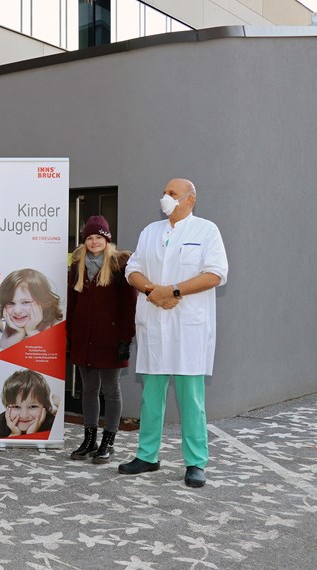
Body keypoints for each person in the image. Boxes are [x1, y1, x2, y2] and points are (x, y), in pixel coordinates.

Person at [119, 178, 228, 489]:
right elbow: (132, 269)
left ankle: (195, 463)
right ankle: (147, 455)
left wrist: (174, 290)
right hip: (154, 322)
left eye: (172, 193)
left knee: (191, 399)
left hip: (188, 328)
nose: (165, 197)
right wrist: (153, 290)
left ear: (190, 200)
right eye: (164, 192)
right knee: (151, 398)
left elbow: (216, 273)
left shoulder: (206, 230)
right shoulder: (150, 231)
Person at [66, 216, 136, 463]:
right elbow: (72, 305)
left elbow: (129, 306)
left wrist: (125, 339)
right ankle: (89, 438)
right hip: (84, 339)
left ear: (107, 239)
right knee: (89, 390)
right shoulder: (78, 266)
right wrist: (71, 337)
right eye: (89, 238)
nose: (94, 242)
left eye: (99, 237)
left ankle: (108, 440)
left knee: (111, 390)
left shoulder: (120, 265)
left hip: (110, 340)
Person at [0, 268, 64, 352]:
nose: (17, 311)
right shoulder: (13, 324)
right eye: (11, 303)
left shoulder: (53, 323)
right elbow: (2, 350)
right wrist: (19, 333)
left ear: (42, 301)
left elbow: (49, 353)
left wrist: (32, 330)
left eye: (25, 302)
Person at [0, 370, 58, 438]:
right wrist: (14, 434)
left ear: (44, 407)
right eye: (16, 406)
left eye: (33, 406)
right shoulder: (1, 421)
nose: (24, 415)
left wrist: (31, 435)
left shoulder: (51, 422)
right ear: (7, 407)